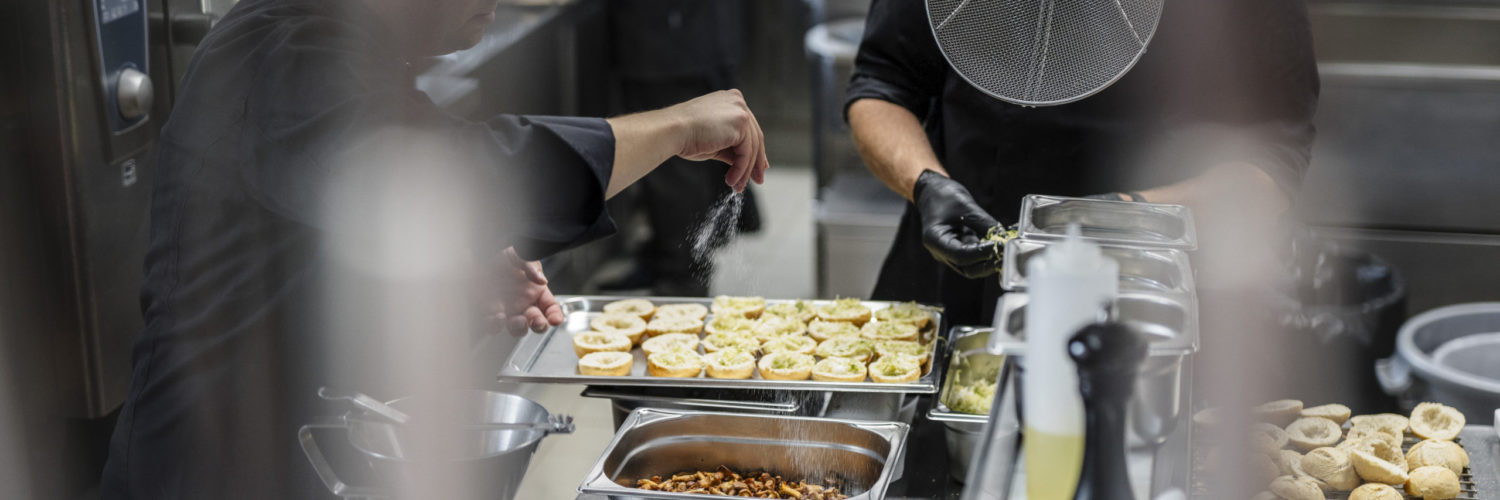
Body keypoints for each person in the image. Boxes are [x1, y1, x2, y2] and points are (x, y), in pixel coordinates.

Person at [99, 0, 769, 497]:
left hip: (318, 445)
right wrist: (676, 127)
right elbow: (478, 171)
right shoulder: (291, 50)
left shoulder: (357, 57)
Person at [846, 0, 1319, 325]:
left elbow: (1272, 161)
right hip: (957, 271)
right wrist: (926, 183)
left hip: (1152, 299)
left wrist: (1124, 216)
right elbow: (881, 84)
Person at [598, 0, 761, 296]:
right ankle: (663, 257)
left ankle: (683, 278)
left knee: (675, 169)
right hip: (664, 34)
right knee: (658, 163)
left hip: (673, 36)